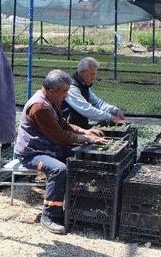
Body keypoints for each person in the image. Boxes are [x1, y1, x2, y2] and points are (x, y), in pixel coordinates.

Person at [14, 70, 108, 234]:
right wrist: (87, 139)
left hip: (49, 147)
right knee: (59, 169)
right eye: (64, 92)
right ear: (52, 90)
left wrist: (85, 131)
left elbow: (63, 124)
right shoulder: (39, 107)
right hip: (32, 152)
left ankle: (75, 205)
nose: (66, 96)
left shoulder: (50, 100)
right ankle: (49, 215)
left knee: (80, 158)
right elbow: (59, 136)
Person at [62, 57, 128, 129]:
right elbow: (86, 109)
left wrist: (115, 110)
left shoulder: (83, 85)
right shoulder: (71, 88)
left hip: (81, 127)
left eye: (95, 74)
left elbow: (98, 103)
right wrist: (111, 117)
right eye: (92, 74)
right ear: (82, 72)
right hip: (69, 128)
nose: (94, 77)